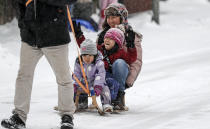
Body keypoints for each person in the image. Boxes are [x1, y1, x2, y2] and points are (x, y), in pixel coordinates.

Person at [1, 0, 76, 129]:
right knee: (23, 76)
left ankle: (67, 116)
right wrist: (23, 25)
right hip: (31, 37)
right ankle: (19, 117)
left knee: (63, 78)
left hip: (56, 36)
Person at [73, 19, 137, 110]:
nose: (107, 40)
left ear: (117, 42)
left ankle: (116, 99)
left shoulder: (121, 52)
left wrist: (131, 46)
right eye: (106, 38)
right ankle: (80, 101)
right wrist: (79, 36)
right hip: (97, 75)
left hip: (113, 77)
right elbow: (87, 48)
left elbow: (131, 59)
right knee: (85, 73)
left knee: (119, 65)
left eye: (111, 39)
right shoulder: (99, 49)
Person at [97, 3, 143, 109]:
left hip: (122, 72)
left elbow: (137, 61)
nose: (110, 20)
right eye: (108, 17)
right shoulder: (103, 35)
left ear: (122, 18)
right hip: (105, 70)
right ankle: (84, 98)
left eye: (114, 17)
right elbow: (94, 56)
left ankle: (119, 97)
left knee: (119, 62)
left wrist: (127, 82)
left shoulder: (130, 35)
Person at [73, 39, 113, 112]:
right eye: (84, 55)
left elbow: (100, 75)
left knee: (105, 89)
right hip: (83, 84)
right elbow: (76, 74)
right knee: (71, 88)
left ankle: (106, 104)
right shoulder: (79, 62)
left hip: (96, 84)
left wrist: (97, 86)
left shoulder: (99, 62)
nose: (87, 58)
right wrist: (75, 84)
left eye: (90, 55)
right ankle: (78, 103)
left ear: (94, 55)